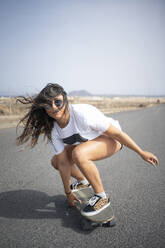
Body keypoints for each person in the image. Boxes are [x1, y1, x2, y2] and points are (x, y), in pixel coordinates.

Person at [17, 83, 159, 217]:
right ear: (44, 109)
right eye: (48, 104)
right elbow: (63, 163)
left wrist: (141, 152)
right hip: (89, 142)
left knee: (79, 154)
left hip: (113, 140)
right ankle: (82, 180)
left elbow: (117, 134)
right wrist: (68, 193)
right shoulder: (54, 130)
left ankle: (101, 197)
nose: (54, 107)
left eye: (58, 102)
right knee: (55, 162)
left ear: (65, 101)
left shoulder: (82, 114)